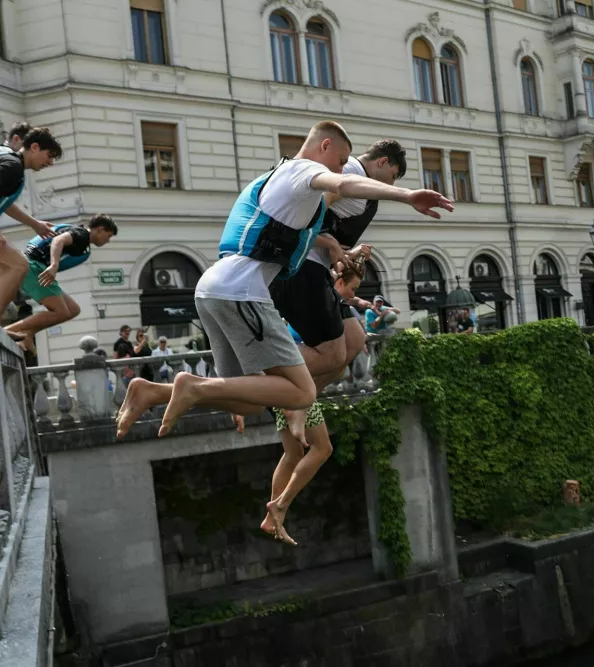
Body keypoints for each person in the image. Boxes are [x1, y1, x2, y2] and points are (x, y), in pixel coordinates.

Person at [114, 121, 452, 542]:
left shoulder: (271, 178)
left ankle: (153, 391)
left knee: (249, 396)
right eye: (339, 158)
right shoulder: (300, 172)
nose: (343, 167)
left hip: (214, 289)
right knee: (304, 391)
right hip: (242, 293)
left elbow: (319, 216)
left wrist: (336, 249)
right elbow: (342, 184)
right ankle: (196, 387)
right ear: (326, 148)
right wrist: (407, 195)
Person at [268, 140, 406, 427]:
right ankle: (263, 375)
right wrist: (330, 245)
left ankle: (300, 403)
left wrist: (345, 252)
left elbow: (327, 229)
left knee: (355, 340)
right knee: (334, 353)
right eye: (393, 175)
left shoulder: (358, 185)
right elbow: (305, 218)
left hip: (316, 268)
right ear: (382, 163)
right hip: (301, 267)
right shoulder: (353, 173)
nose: (390, 183)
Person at [261, 266, 366, 545]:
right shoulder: (319, 314)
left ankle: (274, 514)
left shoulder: (319, 308)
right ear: (339, 281)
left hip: (287, 390)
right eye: (353, 289)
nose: (353, 295)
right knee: (322, 448)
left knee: (293, 453)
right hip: (296, 392)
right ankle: (280, 505)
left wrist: (355, 300)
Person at [5, 214, 117, 350]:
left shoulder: (81, 239)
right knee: (61, 312)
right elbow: (58, 240)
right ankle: (6, 331)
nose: (108, 240)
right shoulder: (81, 235)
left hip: (35, 267)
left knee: (73, 310)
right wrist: (54, 265)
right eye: (108, 235)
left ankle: (28, 333)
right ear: (100, 229)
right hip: (33, 267)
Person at [0, 127, 62, 323]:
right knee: (18, 266)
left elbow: (6, 203)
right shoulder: (13, 167)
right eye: (49, 156)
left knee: (15, 266)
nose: (50, 162)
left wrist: (34, 223)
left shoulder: (12, 164)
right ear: (34, 147)